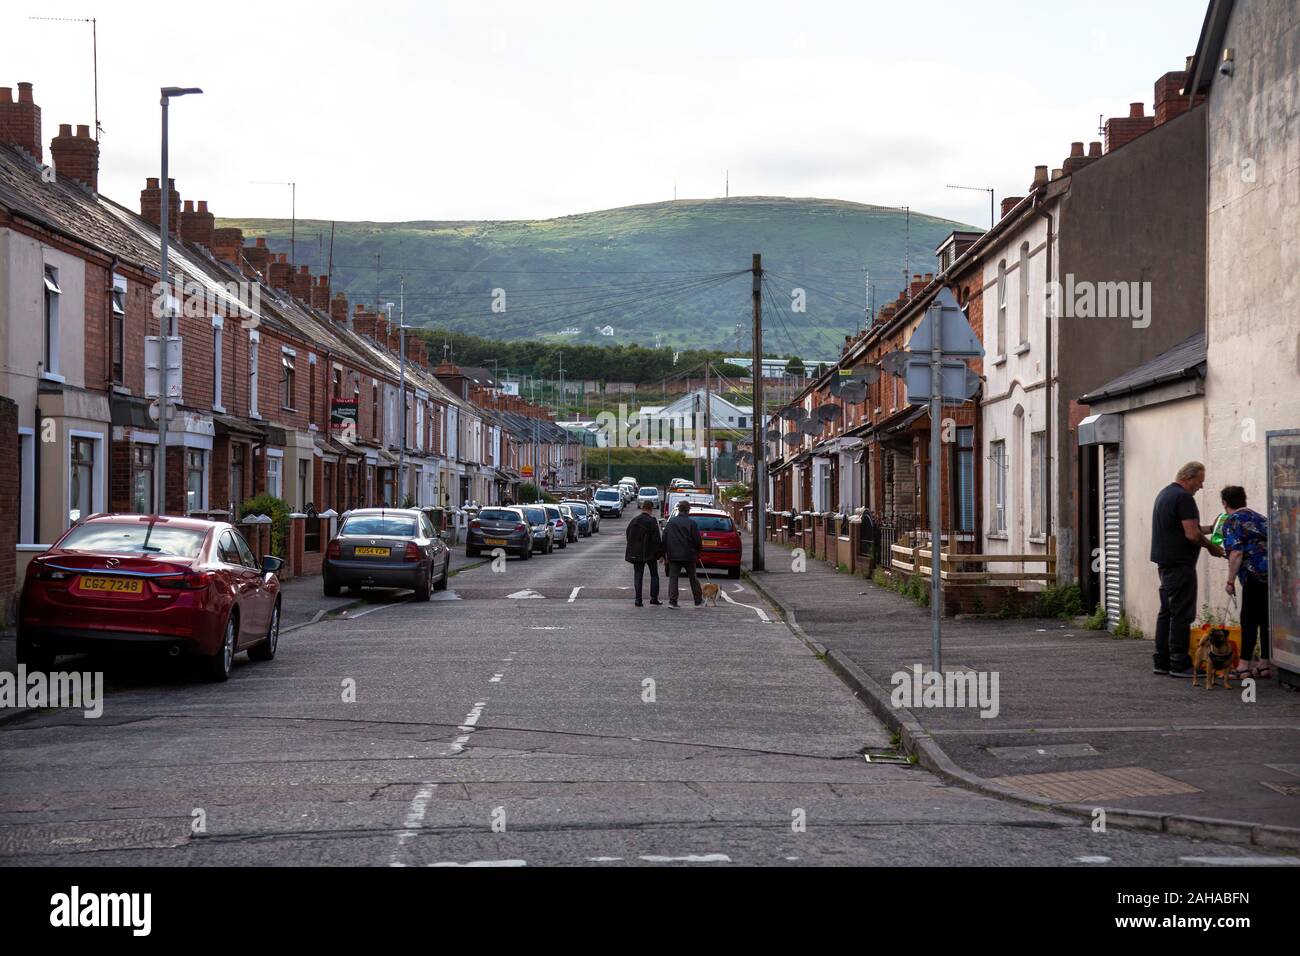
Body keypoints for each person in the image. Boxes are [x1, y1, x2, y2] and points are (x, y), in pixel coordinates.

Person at [1150, 462, 1224, 678]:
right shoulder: (1184, 498)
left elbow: (1187, 528)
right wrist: (1212, 547)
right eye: (1200, 481)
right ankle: (1179, 663)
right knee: (1182, 613)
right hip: (1180, 565)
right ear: (1189, 478)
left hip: (1165, 563)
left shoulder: (1165, 494)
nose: (1201, 486)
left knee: (1166, 612)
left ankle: (1162, 661)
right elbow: (1191, 534)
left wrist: (1212, 528)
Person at [1220, 485, 1271, 679]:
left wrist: (1230, 581)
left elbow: (1237, 553)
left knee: (1248, 619)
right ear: (1244, 499)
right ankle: (1265, 663)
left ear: (1225, 503)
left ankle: (1243, 666)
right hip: (1272, 576)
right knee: (1266, 618)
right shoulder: (1260, 518)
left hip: (1252, 576)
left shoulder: (1232, 521)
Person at [662, 500, 703, 608]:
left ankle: (673, 601)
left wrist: (664, 554)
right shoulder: (692, 523)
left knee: (673, 577)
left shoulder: (670, 522)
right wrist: (698, 551)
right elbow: (697, 540)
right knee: (693, 578)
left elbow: (664, 538)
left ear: (679, 509)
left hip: (674, 555)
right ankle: (698, 600)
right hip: (689, 555)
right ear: (688, 510)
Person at [624, 500, 663, 607]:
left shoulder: (634, 520)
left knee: (638, 576)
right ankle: (654, 598)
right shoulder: (652, 521)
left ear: (642, 508)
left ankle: (638, 600)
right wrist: (660, 554)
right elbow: (656, 539)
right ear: (651, 509)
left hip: (636, 553)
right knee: (654, 575)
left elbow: (628, 534)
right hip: (650, 553)